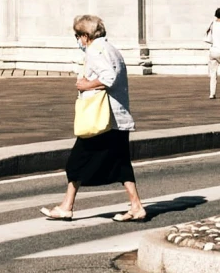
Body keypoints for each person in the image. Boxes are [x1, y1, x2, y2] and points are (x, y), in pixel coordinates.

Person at [41, 14, 146, 224]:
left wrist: (85, 85)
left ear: (85, 35)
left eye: (78, 36)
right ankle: (136, 206)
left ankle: (66, 207)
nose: (78, 40)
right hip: (117, 118)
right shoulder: (111, 49)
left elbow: (108, 77)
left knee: (76, 162)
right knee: (121, 162)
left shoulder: (95, 50)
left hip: (102, 119)